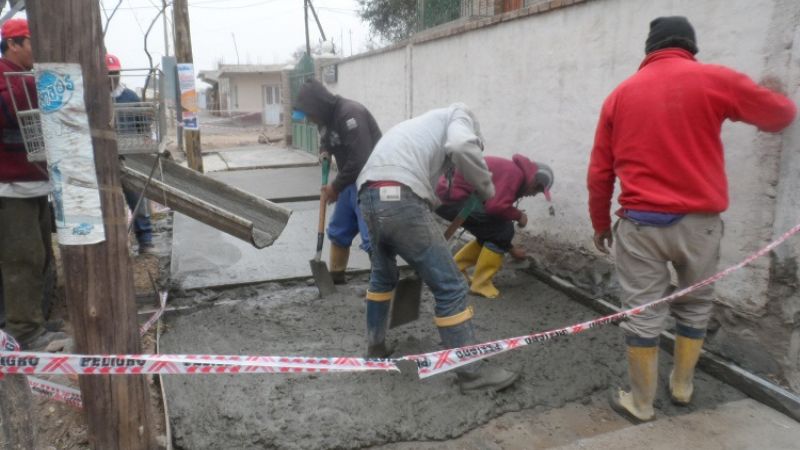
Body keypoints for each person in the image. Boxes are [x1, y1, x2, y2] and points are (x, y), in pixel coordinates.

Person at [587, 16, 796, 423]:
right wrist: (773, 92)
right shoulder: (714, 79)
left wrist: (599, 223)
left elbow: (600, 173)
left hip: (641, 226)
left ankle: (641, 403)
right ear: (691, 48)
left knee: (643, 312)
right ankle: (682, 387)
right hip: (701, 225)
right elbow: (780, 116)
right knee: (696, 304)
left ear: (649, 50)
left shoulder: (620, 95)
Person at [357, 103, 519, 393]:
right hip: (400, 196)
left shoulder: (419, 128)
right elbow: (460, 146)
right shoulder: (460, 114)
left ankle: (376, 347)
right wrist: (485, 187)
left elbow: (429, 188)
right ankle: (471, 375)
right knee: (451, 286)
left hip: (368, 195)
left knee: (382, 277)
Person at [0, 18, 67, 350]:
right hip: (10, 188)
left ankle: (33, 320)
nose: (39, 50)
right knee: (21, 259)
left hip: (34, 183)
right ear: (14, 44)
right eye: (32, 43)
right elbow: (19, 112)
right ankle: (24, 333)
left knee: (40, 256)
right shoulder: (6, 80)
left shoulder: (26, 78)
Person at [293, 79, 381, 284]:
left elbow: (361, 158)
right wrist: (324, 152)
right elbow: (326, 139)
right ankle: (336, 276)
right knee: (339, 230)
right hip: (350, 180)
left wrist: (334, 187)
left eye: (310, 114)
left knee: (371, 235)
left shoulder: (350, 114)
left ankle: (382, 279)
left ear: (318, 105)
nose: (310, 120)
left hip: (371, 182)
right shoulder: (324, 119)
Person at [435, 154, 553, 298]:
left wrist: (511, 249)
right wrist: (519, 216)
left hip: (449, 197)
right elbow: (496, 208)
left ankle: (456, 270)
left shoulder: (512, 171)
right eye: (537, 191)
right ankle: (481, 284)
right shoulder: (514, 174)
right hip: (454, 198)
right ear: (535, 182)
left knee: (493, 230)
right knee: (504, 229)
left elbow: (493, 210)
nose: (534, 195)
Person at [106, 53, 154, 254]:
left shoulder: (130, 97)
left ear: (120, 73)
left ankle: (145, 240)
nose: (111, 78)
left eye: (115, 73)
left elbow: (143, 125)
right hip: (104, 159)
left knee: (137, 199)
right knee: (109, 203)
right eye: (107, 74)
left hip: (130, 157)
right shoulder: (95, 97)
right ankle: (115, 244)